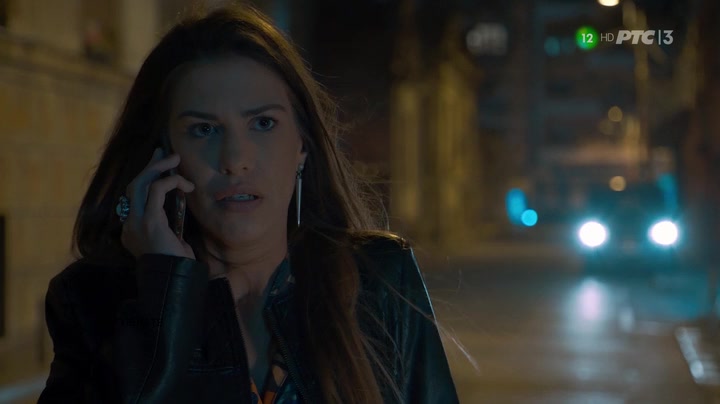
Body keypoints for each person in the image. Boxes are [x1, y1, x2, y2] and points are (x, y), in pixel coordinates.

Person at [37, 4, 459, 404]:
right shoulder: (93, 302)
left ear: (302, 146)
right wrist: (164, 298)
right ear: (163, 154)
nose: (235, 160)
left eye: (263, 123)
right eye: (204, 129)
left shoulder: (379, 280)